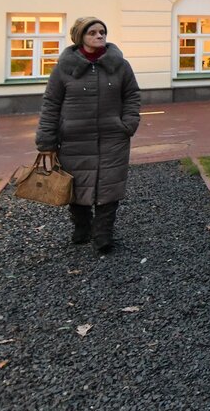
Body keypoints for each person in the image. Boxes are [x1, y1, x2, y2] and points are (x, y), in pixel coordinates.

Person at [35, 17, 140, 253]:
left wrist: (128, 124)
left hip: (113, 138)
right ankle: (82, 227)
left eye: (102, 32)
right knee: (76, 184)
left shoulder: (120, 66)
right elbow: (51, 104)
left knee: (110, 185)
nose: (99, 36)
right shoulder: (63, 68)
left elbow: (132, 95)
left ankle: (103, 235)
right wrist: (46, 141)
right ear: (80, 37)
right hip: (74, 140)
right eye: (92, 32)